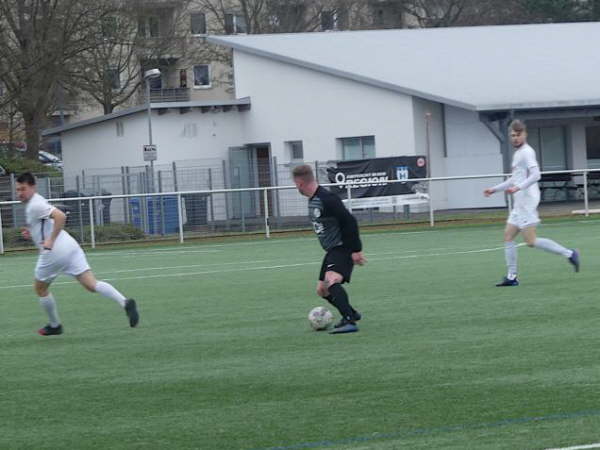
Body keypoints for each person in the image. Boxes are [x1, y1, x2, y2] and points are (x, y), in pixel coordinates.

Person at [16, 172, 139, 335]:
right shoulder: (37, 202)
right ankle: (125, 302)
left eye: (23, 189)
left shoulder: (35, 204)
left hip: (55, 252)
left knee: (40, 288)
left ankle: (55, 325)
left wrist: (51, 240)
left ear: (33, 187)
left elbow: (60, 216)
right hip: (70, 246)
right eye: (17, 190)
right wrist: (32, 233)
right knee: (91, 284)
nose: (20, 193)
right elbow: (46, 223)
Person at [484, 120, 579, 286]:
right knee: (508, 236)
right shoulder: (517, 154)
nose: (515, 138)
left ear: (525, 134)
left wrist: (518, 188)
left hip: (527, 203)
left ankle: (570, 254)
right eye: (512, 135)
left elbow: (536, 175)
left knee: (530, 241)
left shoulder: (527, 152)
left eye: (518, 135)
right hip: (519, 204)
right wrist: (494, 189)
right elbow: (514, 179)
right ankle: (512, 277)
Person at [292, 164, 366, 334]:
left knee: (331, 281)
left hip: (342, 248)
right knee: (322, 290)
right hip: (332, 251)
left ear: (300, 183)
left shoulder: (327, 199)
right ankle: (352, 313)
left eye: (296, 184)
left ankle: (349, 320)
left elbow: (350, 221)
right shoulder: (314, 199)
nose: (297, 187)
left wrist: (356, 250)